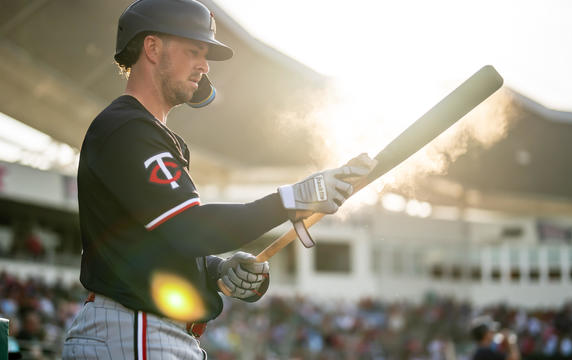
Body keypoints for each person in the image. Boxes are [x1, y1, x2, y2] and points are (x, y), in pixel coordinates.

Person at [62, 0, 376, 359]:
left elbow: (154, 246)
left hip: (151, 331)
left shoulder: (144, 132)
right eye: (194, 50)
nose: (204, 65)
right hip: (135, 329)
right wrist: (290, 199)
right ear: (152, 47)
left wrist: (216, 270)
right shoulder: (128, 128)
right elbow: (189, 230)